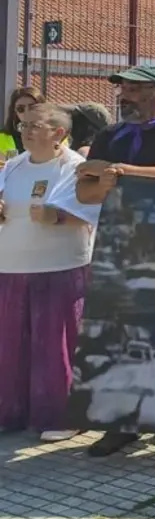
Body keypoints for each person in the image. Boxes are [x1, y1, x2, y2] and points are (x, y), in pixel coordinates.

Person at [75, 65, 155, 457]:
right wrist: (105, 177)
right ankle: (120, 423)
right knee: (117, 336)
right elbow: (84, 191)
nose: (125, 95)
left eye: (135, 88)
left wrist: (115, 172)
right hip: (117, 245)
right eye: (123, 88)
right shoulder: (110, 135)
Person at [0, 105, 94, 442]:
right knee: (11, 345)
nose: (25, 131)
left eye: (34, 125)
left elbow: (94, 211)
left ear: (59, 133)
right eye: (23, 124)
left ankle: (63, 416)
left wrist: (57, 217)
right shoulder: (13, 165)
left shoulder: (75, 167)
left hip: (59, 267)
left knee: (55, 346)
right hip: (11, 267)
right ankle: (10, 412)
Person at [1, 88, 47, 167]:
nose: (27, 112)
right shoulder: (2, 137)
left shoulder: (55, 134)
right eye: (21, 109)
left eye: (32, 107)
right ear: (15, 112)